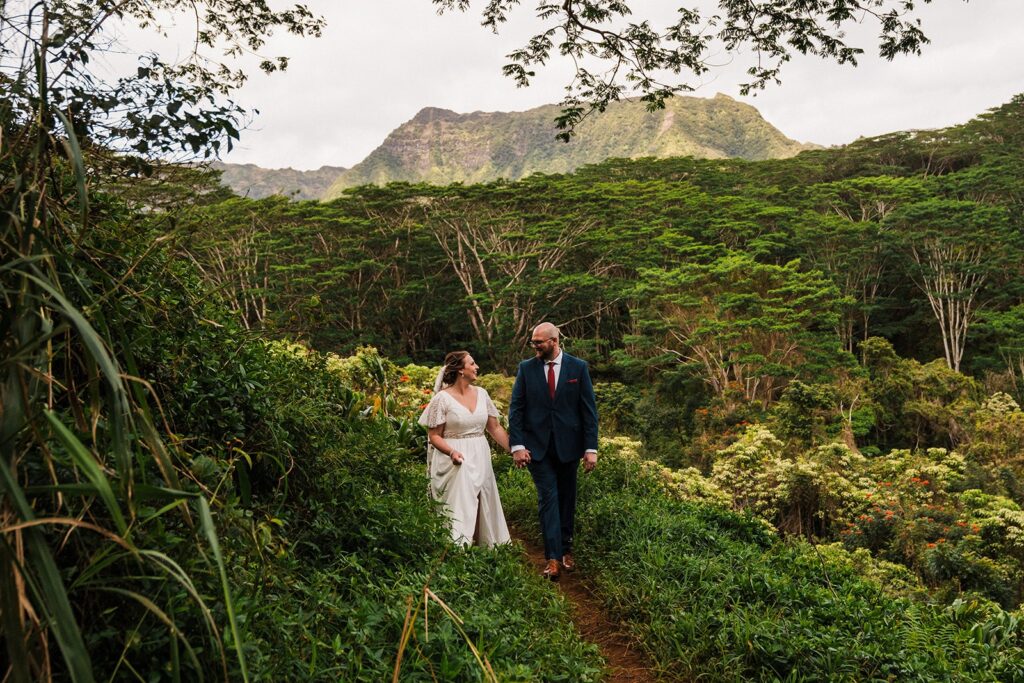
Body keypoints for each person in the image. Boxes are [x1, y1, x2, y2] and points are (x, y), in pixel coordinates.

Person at [509, 322, 598, 580]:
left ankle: (566, 549)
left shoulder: (578, 368)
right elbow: (516, 409)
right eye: (533, 342)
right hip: (537, 448)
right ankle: (552, 558)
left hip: (569, 447)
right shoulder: (526, 369)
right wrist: (517, 446)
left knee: (567, 498)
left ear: (554, 341)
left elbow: (588, 411)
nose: (534, 346)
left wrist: (590, 448)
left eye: (539, 342)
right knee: (548, 498)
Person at [418, 351, 512, 547]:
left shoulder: (482, 394)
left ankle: (486, 548)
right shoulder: (441, 399)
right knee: (460, 503)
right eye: (472, 363)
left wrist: (514, 450)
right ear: (461, 370)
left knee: (483, 497)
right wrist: (451, 452)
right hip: (453, 457)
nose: (477, 367)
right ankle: (457, 550)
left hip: (480, 451)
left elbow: (494, 428)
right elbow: (434, 435)